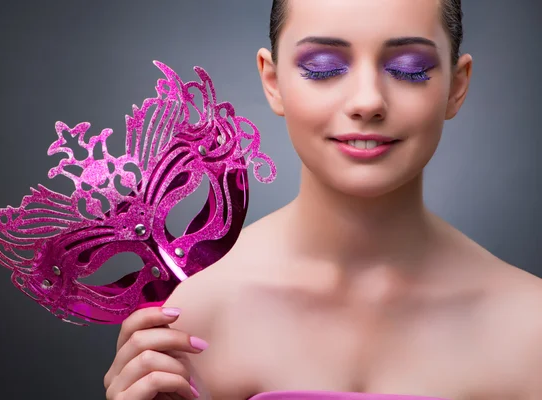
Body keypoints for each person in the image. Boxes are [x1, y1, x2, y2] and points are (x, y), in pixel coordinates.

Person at [103, 0, 542, 399]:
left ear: (456, 85)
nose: (367, 101)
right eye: (324, 66)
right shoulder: (194, 322)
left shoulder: (531, 328)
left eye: (408, 67)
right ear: (273, 81)